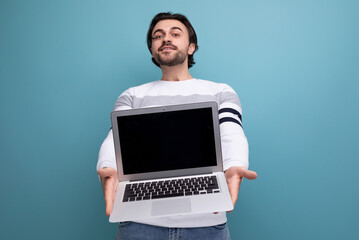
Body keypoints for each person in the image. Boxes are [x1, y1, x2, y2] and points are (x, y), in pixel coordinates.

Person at [97, 12, 257, 240]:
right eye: (158, 36)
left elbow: (231, 131)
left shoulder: (220, 92)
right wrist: (108, 168)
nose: (166, 38)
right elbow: (114, 140)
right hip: (140, 226)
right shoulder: (132, 96)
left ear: (191, 47)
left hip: (207, 225)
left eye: (175, 33)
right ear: (152, 50)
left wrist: (234, 166)